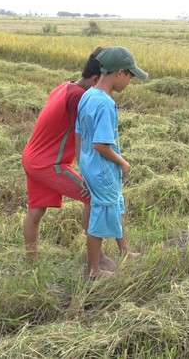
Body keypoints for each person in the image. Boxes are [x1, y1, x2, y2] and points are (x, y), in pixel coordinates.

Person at [22, 47, 114, 271]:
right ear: (95, 79)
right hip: (49, 164)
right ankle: (97, 258)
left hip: (32, 157)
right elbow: (83, 138)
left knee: (35, 212)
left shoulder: (64, 87)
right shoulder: (80, 98)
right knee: (92, 197)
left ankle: (31, 264)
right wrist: (87, 175)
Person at [76, 46, 147, 279]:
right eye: (130, 76)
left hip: (90, 164)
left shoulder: (88, 95)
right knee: (101, 213)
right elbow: (101, 144)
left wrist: (81, 162)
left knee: (116, 205)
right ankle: (94, 271)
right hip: (103, 168)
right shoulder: (105, 103)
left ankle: (124, 251)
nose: (129, 81)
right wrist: (123, 163)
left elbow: (80, 134)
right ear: (119, 73)